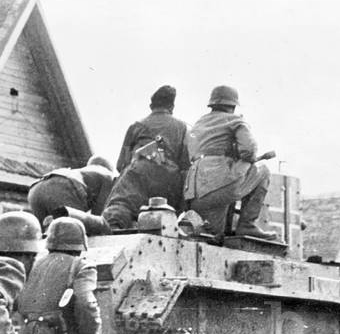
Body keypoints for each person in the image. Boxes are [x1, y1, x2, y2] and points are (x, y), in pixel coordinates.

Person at [184, 85, 277, 239]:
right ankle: (247, 225)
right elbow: (249, 150)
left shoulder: (199, 123)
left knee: (214, 237)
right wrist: (245, 161)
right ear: (233, 106)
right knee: (264, 170)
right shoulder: (235, 120)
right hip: (221, 187)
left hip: (194, 193)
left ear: (212, 105)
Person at [102, 85, 190, 230]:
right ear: (172, 106)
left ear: (151, 105)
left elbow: (121, 164)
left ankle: (114, 228)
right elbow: (185, 165)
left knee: (120, 206)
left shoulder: (136, 126)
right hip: (170, 181)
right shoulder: (182, 127)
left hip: (140, 171)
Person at [27, 157, 115, 226]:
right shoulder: (108, 175)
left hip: (35, 189)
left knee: (44, 237)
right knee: (74, 232)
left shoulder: (81, 172)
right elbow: (99, 217)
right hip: (62, 187)